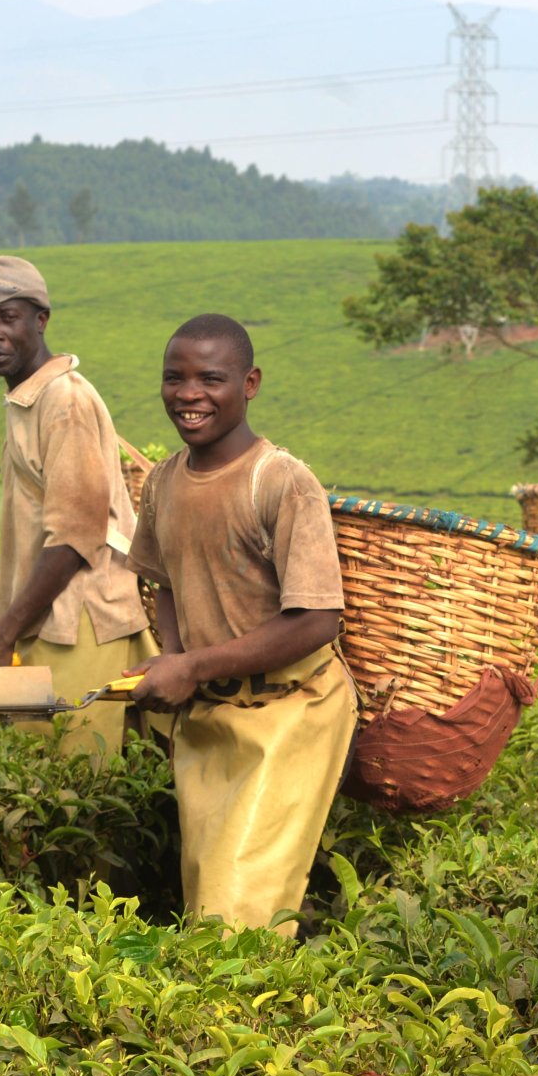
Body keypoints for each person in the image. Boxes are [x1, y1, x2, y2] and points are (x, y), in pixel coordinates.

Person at [124, 313, 357, 936]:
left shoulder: (280, 482)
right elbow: (163, 580)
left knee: (234, 920)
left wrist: (191, 665)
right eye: (174, 378)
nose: (189, 393)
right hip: (208, 717)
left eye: (212, 378)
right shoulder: (164, 483)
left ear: (249, 384)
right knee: (209, 895)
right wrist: (172, 657)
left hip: (290, 713)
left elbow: (316, 621)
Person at [0, 255, 149, 770]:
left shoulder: (64, 402)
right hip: (51, 620)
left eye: (8, 317)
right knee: (39, 779)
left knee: (76, 784)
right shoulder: (29, 399)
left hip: (82, 620)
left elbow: (74, 538)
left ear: (40, 320)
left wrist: (2, 636)